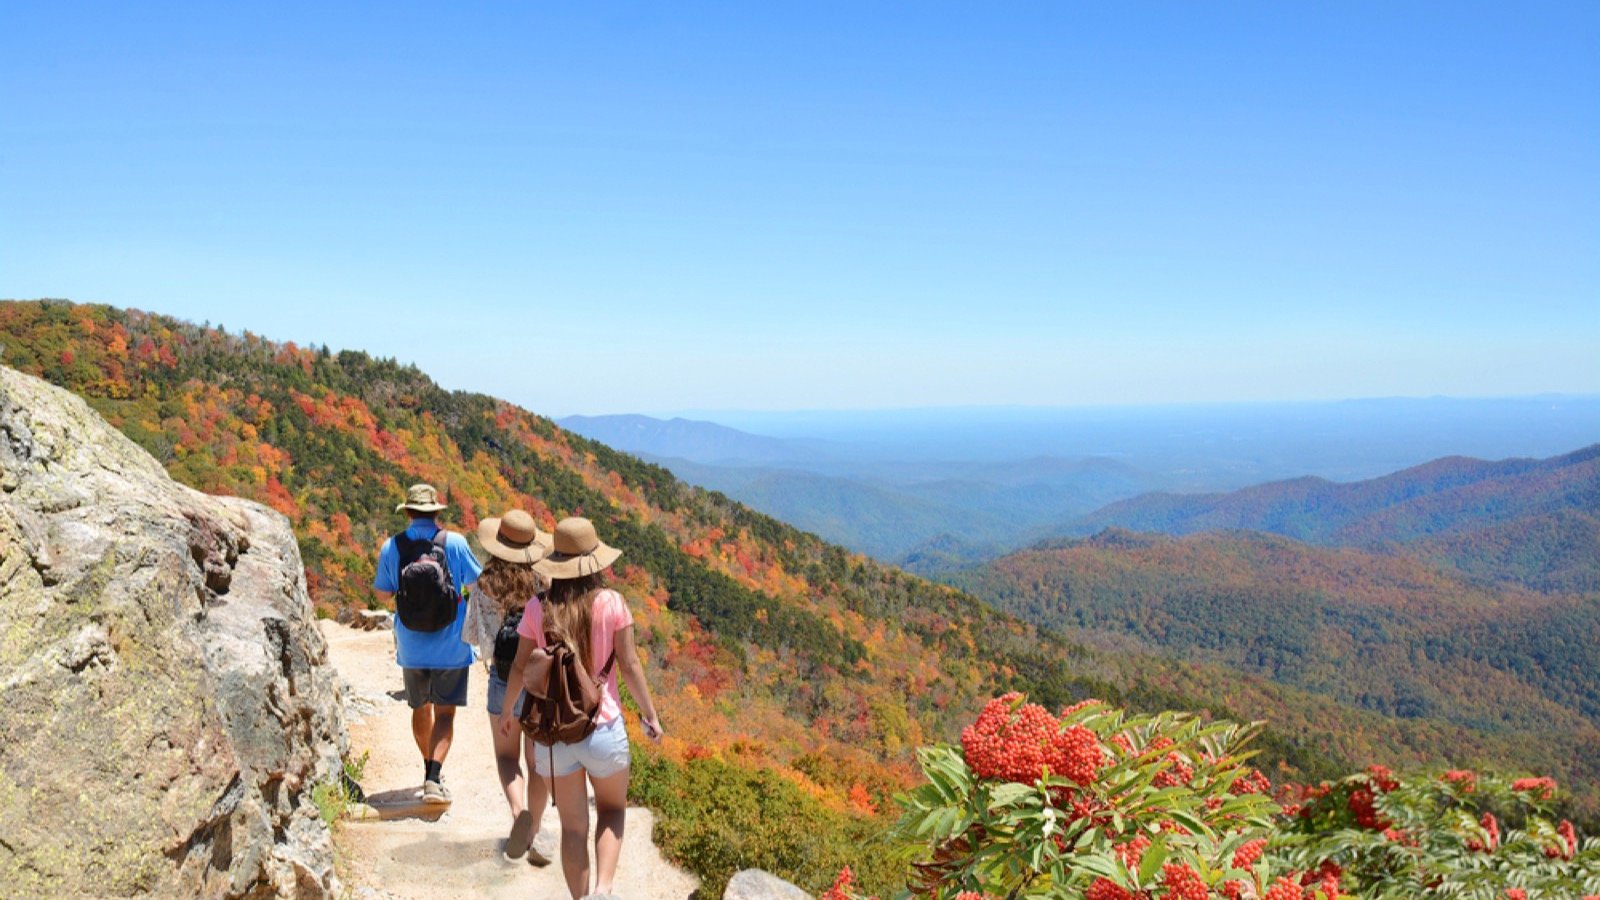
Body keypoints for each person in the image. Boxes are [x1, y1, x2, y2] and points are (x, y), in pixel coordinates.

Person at [501, 517, 663, 900]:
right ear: (594, 561)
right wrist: (650, 715)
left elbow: (520, 666)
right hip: (603, 728)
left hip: (555, 733)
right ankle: (604, 891)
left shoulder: (537, 608)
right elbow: (630, 664)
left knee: (573, 828)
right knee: (611, 811)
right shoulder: (612, 603)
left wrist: (509, 711)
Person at [373, 483, 482, 804]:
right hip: (451, 644)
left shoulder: (392, 546)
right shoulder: (456, 543)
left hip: (411, 644)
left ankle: (429, 769)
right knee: (445, 713)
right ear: (437, 512)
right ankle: (433, 777)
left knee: (420, 707)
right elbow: (477, 584)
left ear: (407, 512)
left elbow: (381, 593)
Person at [463, 508, 553, 863]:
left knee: (506, 756)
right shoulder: (542, 586)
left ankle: (518, 813)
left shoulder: (483, 586)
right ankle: (535, 830)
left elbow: (472, 638)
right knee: (537, 763)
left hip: (502, 679)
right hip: (539, 683)